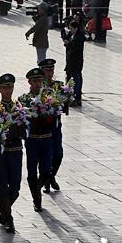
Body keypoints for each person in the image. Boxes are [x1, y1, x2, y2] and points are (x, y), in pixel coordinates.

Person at [0, 74, 23, 233]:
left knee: (15, 187)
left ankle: (4, 211)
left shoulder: (19, 107)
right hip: (1, 153)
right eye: (5, 88)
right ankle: (8, 218)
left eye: (10, 87)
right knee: (2, 186)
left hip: (16, 150)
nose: (8, 91)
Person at [18, 68, 53, 213]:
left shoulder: (49, 97)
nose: (38, 84)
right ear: (29, 82)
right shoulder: (24, 99)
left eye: (40, 80)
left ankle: (36, 190)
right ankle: (36, 200)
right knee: (32, 171)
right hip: (32, 140)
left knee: (46, 171)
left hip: (46, 138)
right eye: (35, 81)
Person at [39, 59, 65, 194]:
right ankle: (45, 180)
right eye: (47, 70)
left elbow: (65, 104)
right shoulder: (38, 87)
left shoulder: (58, 86)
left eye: (52, 69)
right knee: (44, 156)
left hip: (55, 125)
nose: (50, 72)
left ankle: (51, 176)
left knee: (58, 154)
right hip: (43, 127)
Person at [63, 20, 85, 105]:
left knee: (76, 80)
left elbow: (75, 49)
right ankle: (75, 97)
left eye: (71, 28)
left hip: (75, 61)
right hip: (74, 61)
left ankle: (76, 97)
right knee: (76, 78)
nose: (70, 30)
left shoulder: (78, 37)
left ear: (75, 28)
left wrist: (68, 44)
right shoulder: (74, 35)